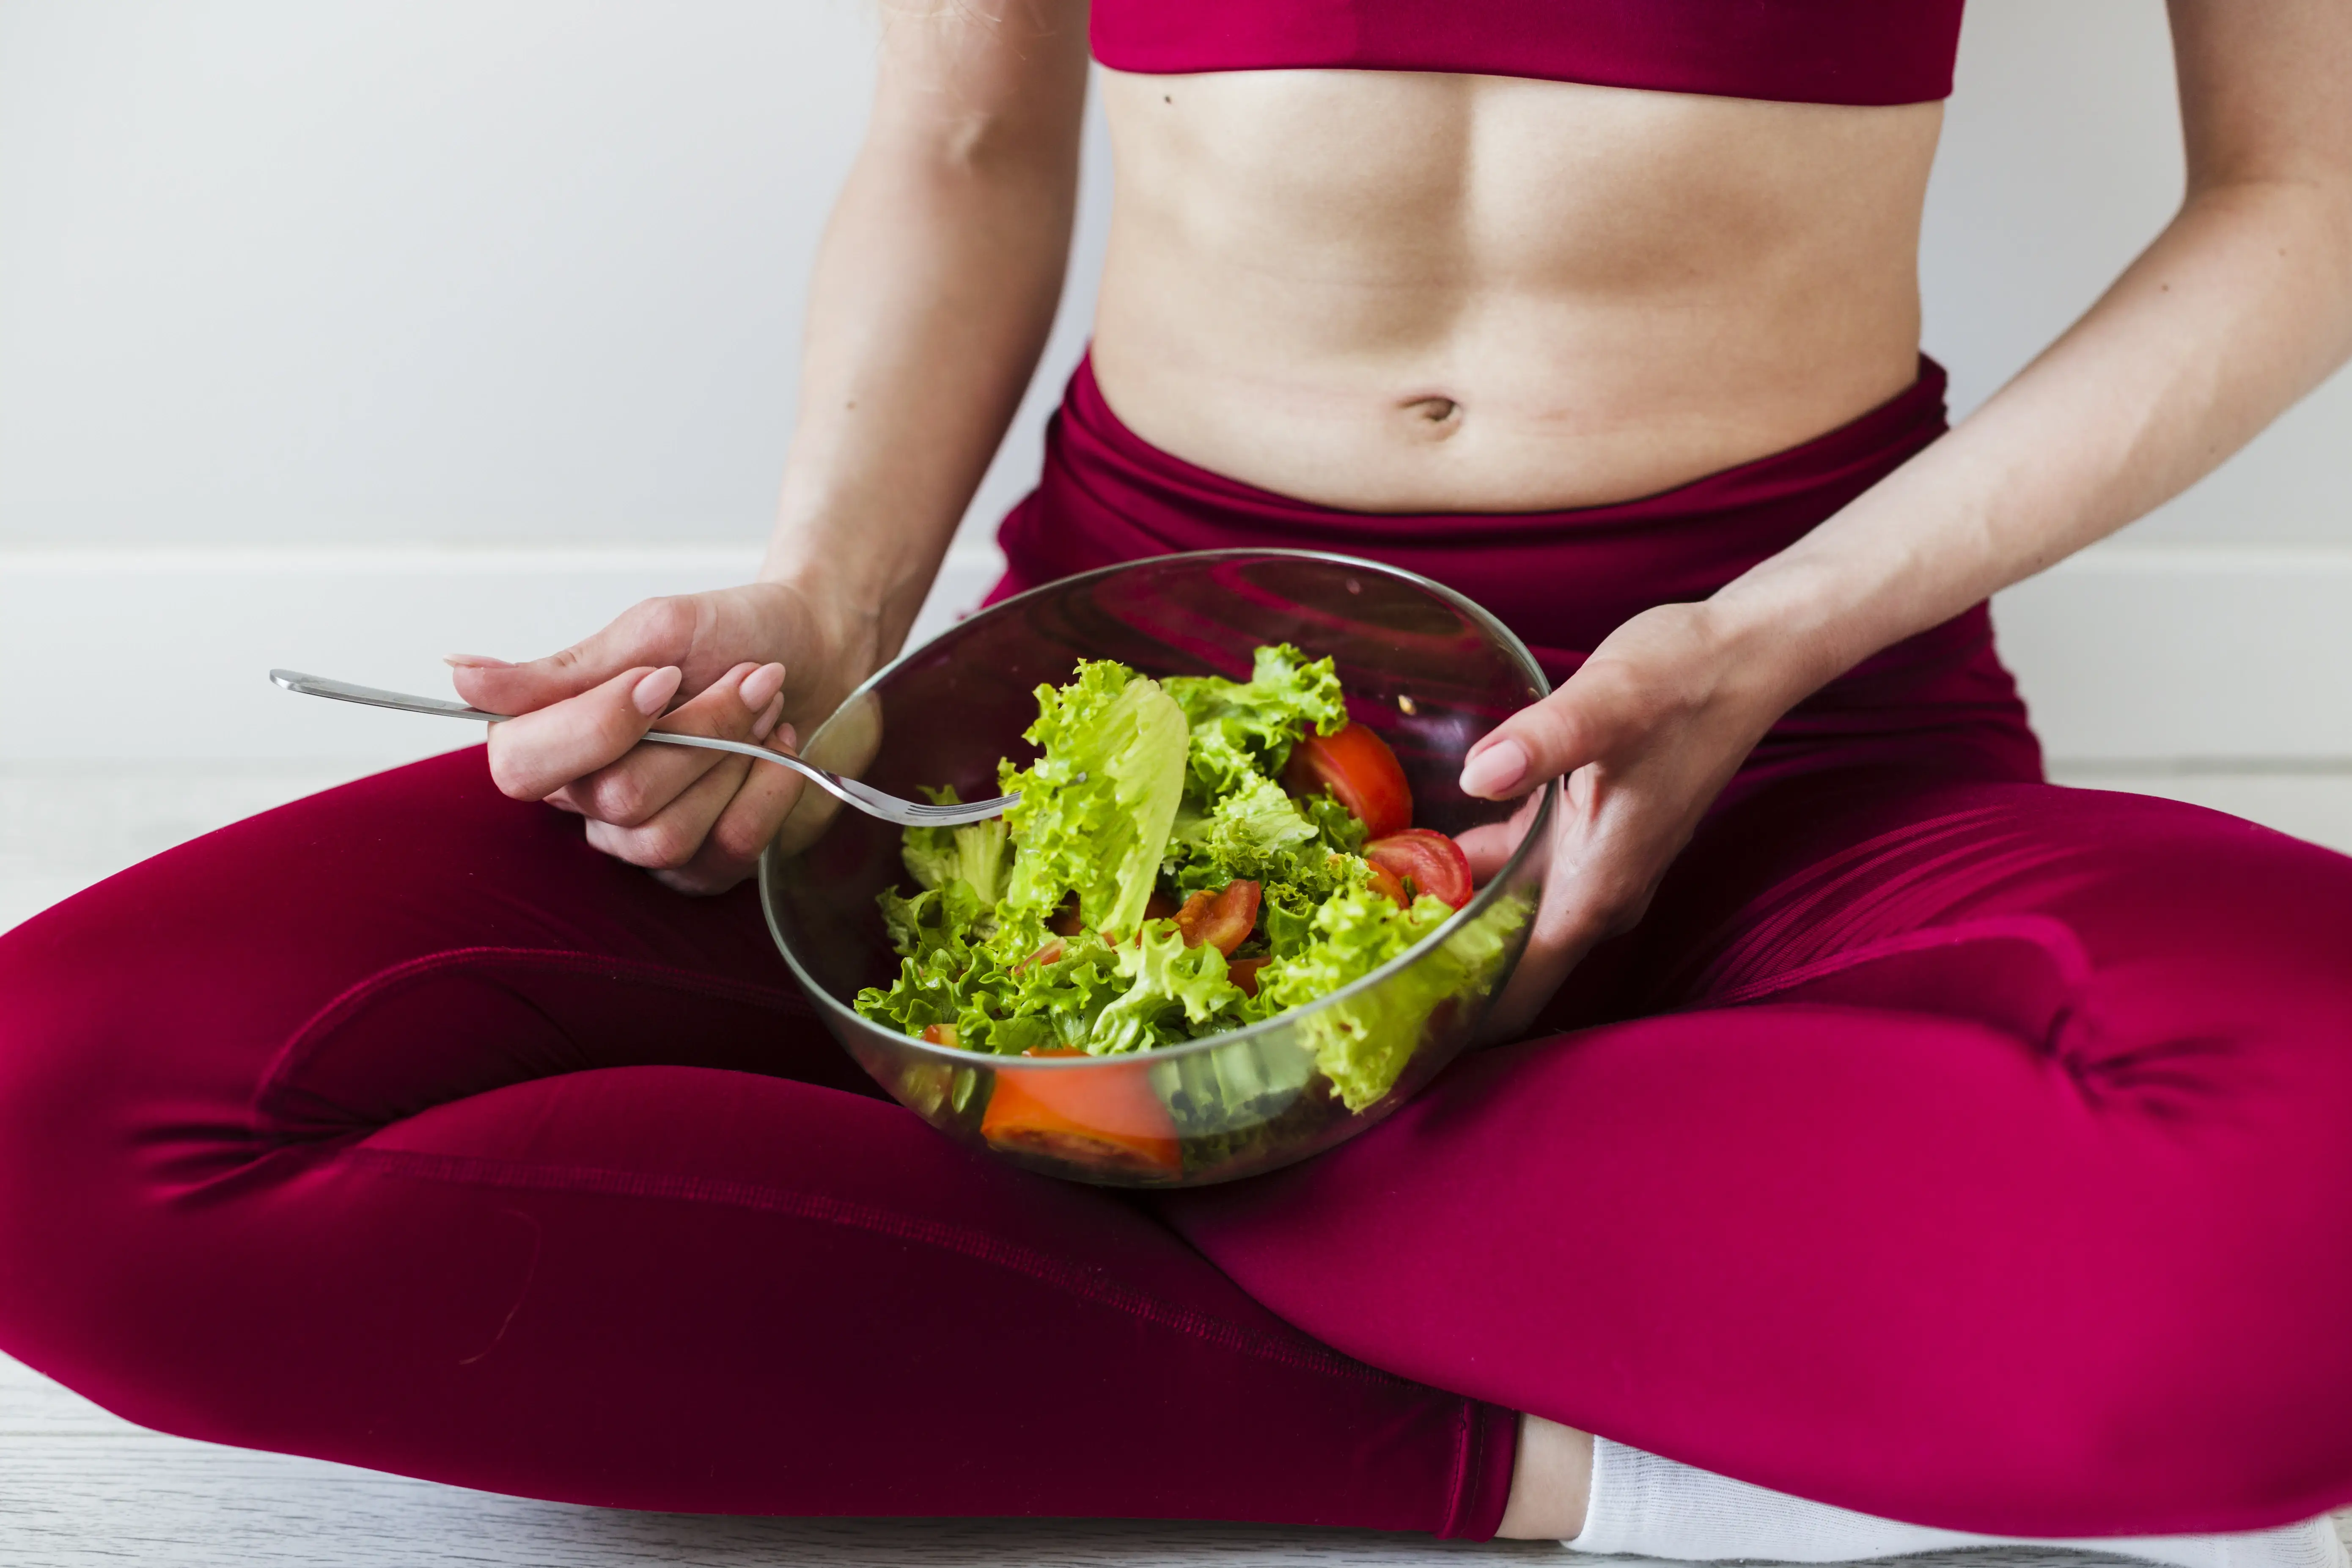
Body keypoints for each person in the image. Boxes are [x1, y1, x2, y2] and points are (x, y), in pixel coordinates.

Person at [3, 0, 2350, 1554]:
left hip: (1781, 725)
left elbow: (2308, 190)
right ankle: (1540, 1433)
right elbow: (960, 133)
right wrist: (826, 608)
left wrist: (1766, 638)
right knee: (69, 1118)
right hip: (1077, 748)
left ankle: (1102, 1160)